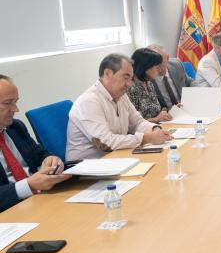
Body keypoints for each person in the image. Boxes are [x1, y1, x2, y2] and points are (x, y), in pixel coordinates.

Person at [66, 54, 172, 161]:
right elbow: (105, 142)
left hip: (116, 159)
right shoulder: (89, 101)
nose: (129, 84)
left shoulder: (121, 96)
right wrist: (147, 138)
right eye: (125, 78)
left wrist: (155, 129)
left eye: (131, 79)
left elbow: (138, 122)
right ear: (107, 73)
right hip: (87, 169)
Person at [0, 75, 71, 212]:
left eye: (16, 101)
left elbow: (40, 154)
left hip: (41, 199)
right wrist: (28, 184)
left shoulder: (15, 127)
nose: (15, 109)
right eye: (8, 103)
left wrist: (50, 159)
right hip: (11, 211)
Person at [127, 48, 173, 123]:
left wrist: (172, 111)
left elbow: (156, 110)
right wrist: (156, 119)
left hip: (159, 126)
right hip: (145, 132)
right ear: (145, 67)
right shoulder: (129, 89)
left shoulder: (148, 83)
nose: (160, 70)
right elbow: (131, 125)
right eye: (157, 67)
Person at [147, 44, 193, 110]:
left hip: (185, 108)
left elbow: (189, 81)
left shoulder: (176, 64)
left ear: (167, 58)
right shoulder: (146, 78)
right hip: (166, 116)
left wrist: (200, 90)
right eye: (154, 66)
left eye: (161, 64)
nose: (159, 69)